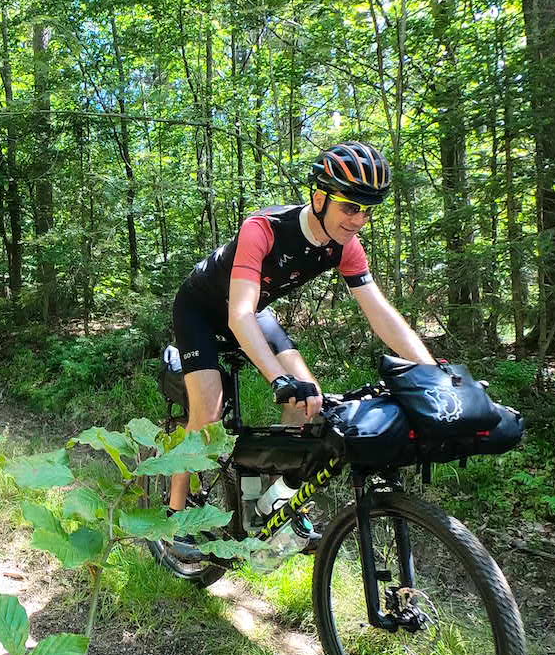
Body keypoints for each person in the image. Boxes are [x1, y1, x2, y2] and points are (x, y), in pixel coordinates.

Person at [167, 142, 435, 559]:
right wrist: (277, 377)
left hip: (251, 312)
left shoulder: (346, 246)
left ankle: (272, 498)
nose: (359, 220)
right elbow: (239, 313)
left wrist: (432, 370)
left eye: (368, 211)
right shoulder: (264, 229)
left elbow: (381, 313)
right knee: (207, 413)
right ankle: (174, 517)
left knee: (308, 399)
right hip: (202, 311)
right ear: (320, 196)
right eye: (351, 207)